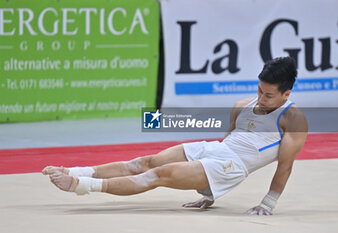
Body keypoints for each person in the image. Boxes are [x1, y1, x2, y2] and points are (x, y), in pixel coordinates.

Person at [42, 56, 308, 216]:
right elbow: (228, 140)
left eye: (269, 95)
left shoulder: (293, 119)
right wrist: (209, 192)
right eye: (259, 90)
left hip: (231, 167)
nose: (260, 99)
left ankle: (81, 185)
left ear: (286, 94)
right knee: (144, 162)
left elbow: (285, 165)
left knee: (158, 175)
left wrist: (268, 203)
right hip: (215, 152)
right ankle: (76, 169)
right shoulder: (242, 104)